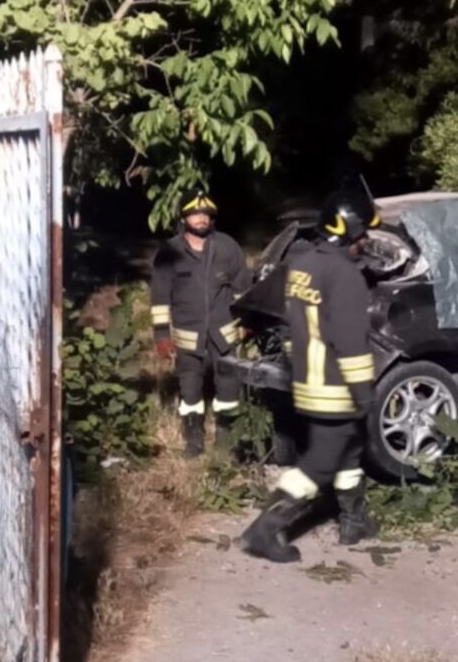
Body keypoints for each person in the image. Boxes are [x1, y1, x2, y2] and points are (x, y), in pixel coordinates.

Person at [242, 190, 381, 563]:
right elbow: (351, 343)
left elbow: (292, 325)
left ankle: (355, 522)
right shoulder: (346, 276)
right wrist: (365, 394)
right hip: (335, 387)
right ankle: (263, 531)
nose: (366, 240)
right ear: (348, 230)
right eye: (363, 232)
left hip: (306, 380)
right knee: (319, 462)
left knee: (350, 450)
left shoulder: (302, 264)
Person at [150, 192, 253, 457]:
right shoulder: (170, 252)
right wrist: (162, 335)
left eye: (206, 215)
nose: (201, 219)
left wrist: (247, 322)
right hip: (187, 336)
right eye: (195, 214)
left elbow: (243, 290)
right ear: (184, 219)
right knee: (190, 392)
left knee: (229, 390)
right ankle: (193, 442)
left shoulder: (228, 248)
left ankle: (226, 441)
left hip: (224, 334)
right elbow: (160, 298)